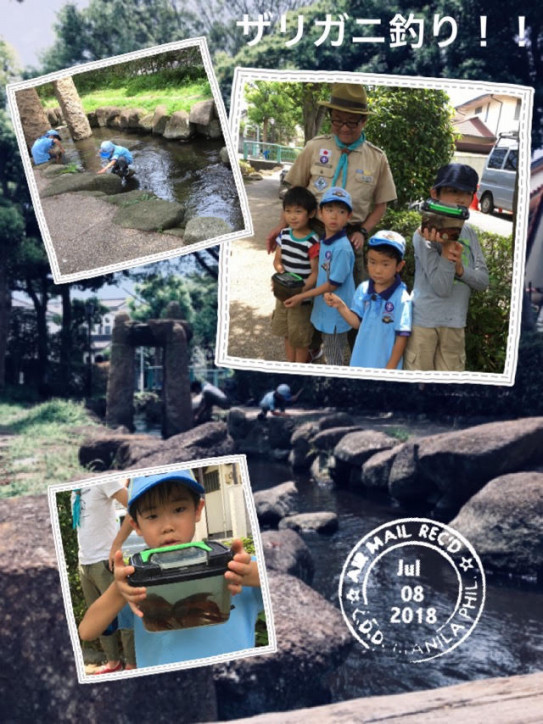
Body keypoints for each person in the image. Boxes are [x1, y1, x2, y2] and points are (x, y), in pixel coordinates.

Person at [78, 470, 263, 668]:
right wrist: (118, 590)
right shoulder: (136, 581)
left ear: (198, 510)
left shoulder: (237, 568)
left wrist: (251, 574)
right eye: (152, 515)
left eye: (179, 509)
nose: (167, 526)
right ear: (136, 525)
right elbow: (87, 631)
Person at [266, 83, 397, 286]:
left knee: (344, 292)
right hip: (311, 230)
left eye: (351, 122)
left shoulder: (377, 158)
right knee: (296, 288)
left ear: (364, 120)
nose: (343, 128)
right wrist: (281, 225)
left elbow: (381, 205)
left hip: (350, 236)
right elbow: (295, 191)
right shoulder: (315, 147)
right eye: (337, 121)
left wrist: (362, 232)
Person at [404, 163, 489, 371]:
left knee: (448, 387)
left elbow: (483, 281)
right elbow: (442, 287)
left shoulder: (470, 234)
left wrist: (460, 269)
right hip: (424, 323)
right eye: (452, 191)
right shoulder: (422, 235)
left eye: (466, 193)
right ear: (435, 194)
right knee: (418, 387)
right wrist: (446, 248)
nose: (460, 198)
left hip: (455, 322)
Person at [284, 187, 355, 366]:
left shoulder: (342, 248)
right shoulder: (323, 239)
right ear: (321, 213)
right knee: (327, 348)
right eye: (329, 210)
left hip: (336, 313)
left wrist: (301, 296)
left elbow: (331, 285)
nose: (334, 216)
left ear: (349, 216)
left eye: (341, 211)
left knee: (333, 358)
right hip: (324, 309)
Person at [72, 479, 136, 674]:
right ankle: (113, 662)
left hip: (104, 562)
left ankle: (132, 665)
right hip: (84, 564)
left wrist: (116, 545)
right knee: (101, 620)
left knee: (125, 617)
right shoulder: (75, 490)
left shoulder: (103, 479)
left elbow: (135, 506)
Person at [325, 230, 412, 369]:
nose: (377, 270)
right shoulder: (363, 288)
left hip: (385, 366)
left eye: (385, 264)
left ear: (399, 266)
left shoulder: (402, 299)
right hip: (361, 361)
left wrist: (390, 369)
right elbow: (356, 323)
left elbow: (402, 337)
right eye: (372, 262)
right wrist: (340, 306)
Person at [271, 186, 320, 363]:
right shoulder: (283, 235)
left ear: (311, 213)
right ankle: (289, 365)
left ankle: (300, 367)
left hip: (302, 299)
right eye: (288, 211)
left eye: (298, 211)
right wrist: (282, 275)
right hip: (283, 295)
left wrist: (299, 292)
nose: (292, 216)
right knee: (287, 333)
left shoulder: (313, 241)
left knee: (300, 338)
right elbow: (277, 261)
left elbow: (315, 274)